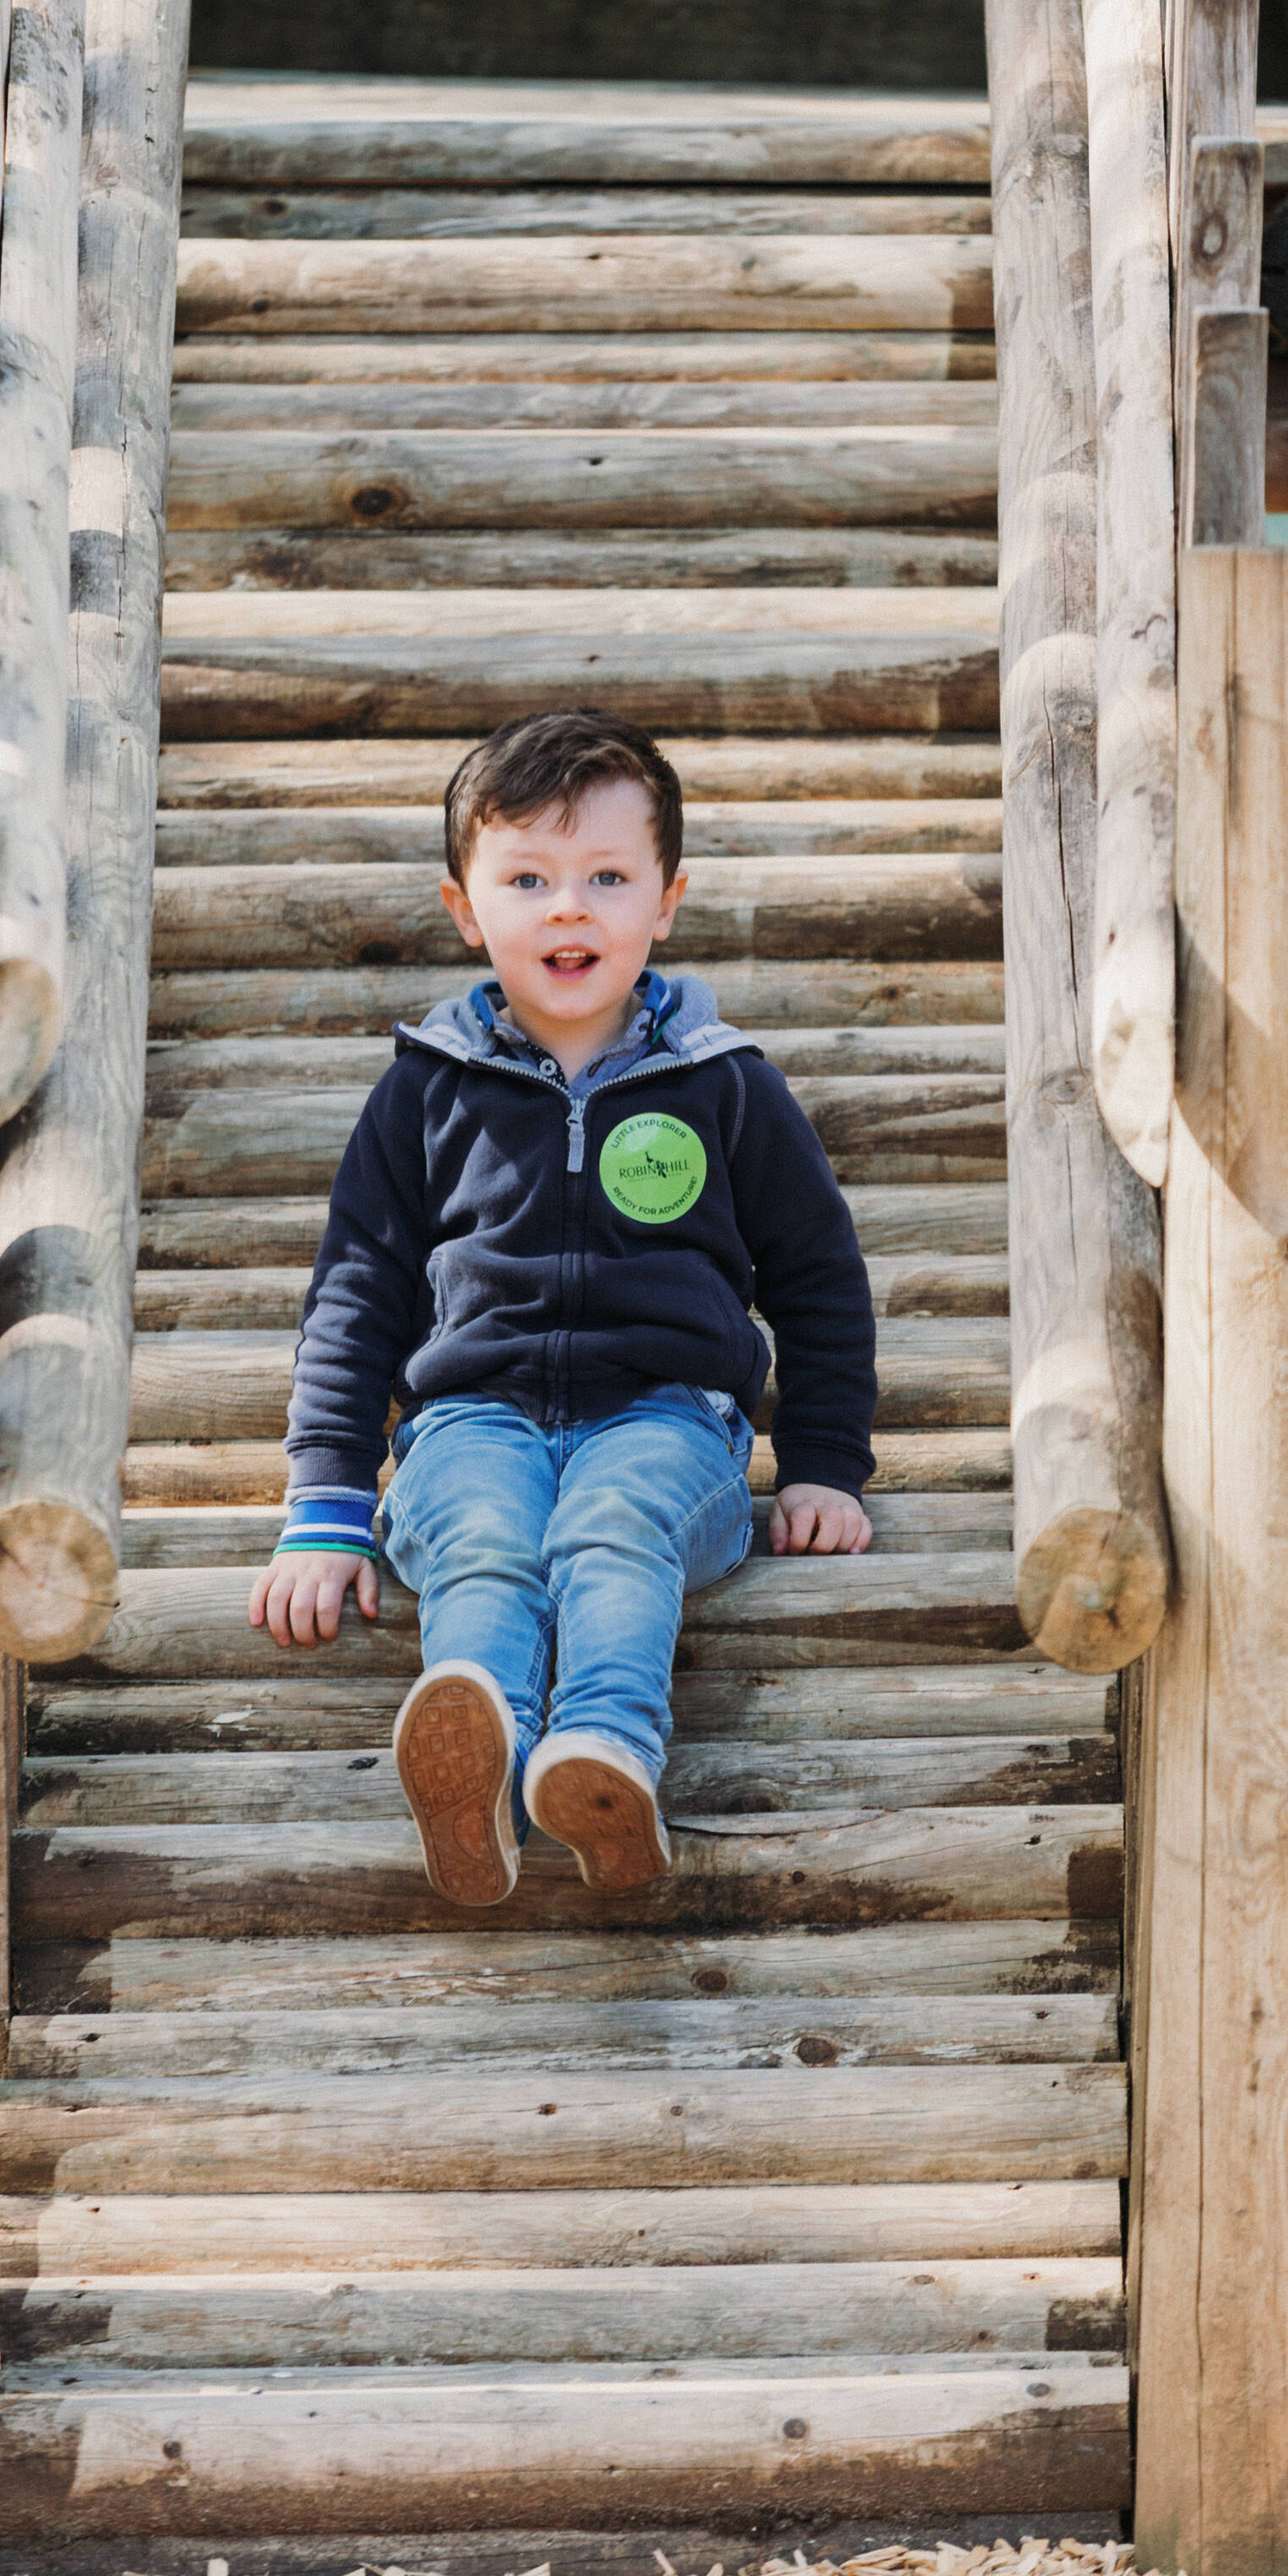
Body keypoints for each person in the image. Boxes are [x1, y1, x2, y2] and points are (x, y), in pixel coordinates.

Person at [248, 705, 877, 1907]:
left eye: (605, 876)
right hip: (468, 1417)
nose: (569, 907)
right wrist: (325, 1505)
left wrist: (825, 1467)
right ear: (464, 908)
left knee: (614, 1524)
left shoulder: (724, 1085)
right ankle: (474, 1751)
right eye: (527, 878)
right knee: (483, 1538)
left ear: (667, 899)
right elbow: (358, 1293)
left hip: (672, 1420)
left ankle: (601, 1754)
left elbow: (818, 1277)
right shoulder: (425, 1093)